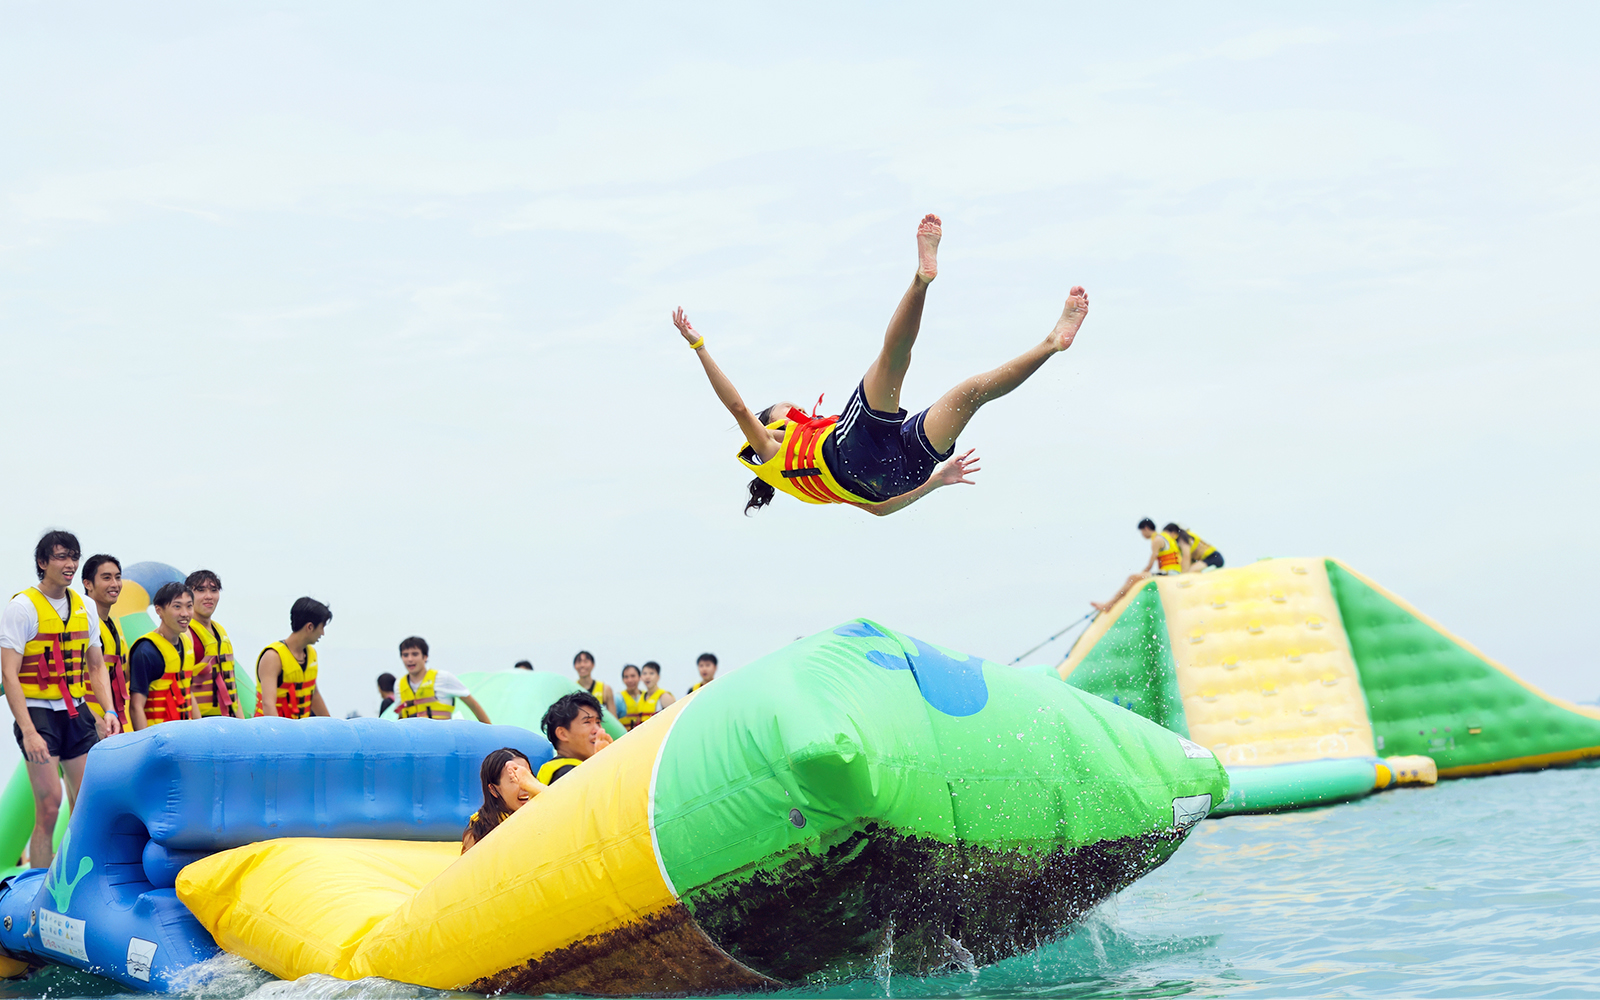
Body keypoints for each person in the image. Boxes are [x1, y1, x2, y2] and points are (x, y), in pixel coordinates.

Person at [672, 215, 1090, 516]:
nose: (793, 407)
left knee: (971, 394)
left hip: (895, 475)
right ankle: (921, 279)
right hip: (851, 455)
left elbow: (880, 511)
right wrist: (700, 346)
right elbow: (740, 410)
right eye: (785, 407)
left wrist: (937, 482)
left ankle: (1053, 343)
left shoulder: (803, 481)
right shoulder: (772, 449)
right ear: (774, 422)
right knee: (893, 361)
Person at [0, 531, 120, 869]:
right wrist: (28, 731)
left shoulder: (84, 606)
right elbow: (10, 674)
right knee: (50, 806)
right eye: (61, 557)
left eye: (74, 557)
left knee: (85, 804)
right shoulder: (22, 607)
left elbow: (95, 665)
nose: (70, 564)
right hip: (38, 713)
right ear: (42, 563)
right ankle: (36, 888)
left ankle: (75, 881)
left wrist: (108, 709)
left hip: (76, 711)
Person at [128, 583, 202, 730]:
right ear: (159, 610)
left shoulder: (186, 644)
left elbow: (187, 690)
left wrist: (200, 729)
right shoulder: (146, 651)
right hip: (159, 737)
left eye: (189, 606)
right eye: (177, 606)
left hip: (185, 734)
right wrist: (145, 745)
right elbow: (136, 706)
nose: (185, 613)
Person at [256, 597, 332, 719]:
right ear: (310, 627)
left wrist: (331, 728)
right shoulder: (273, 656)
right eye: (321, 627)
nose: (322, 633)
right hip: (272, 732)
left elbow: (314, 694)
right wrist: (278, 736)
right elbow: (268, 704)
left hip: (299, 732)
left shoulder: (312, 654)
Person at [460, 748, 544, 853]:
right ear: (493, 790)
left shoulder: (543, 816)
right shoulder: (479, 833)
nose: (525, 786)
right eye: (514, 779)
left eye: (527, 776)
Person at [186, 570, 245, 719]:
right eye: (201, 590)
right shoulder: (185, 633)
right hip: (200, 723)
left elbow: (230, 684)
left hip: (228, 721)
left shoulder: (220, 631)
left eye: (214, 590)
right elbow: (183, 686)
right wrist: (199, 726)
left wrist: (242, 724)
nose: (209, 596)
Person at [1091, 519, 1183, 613]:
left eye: (1141, 532)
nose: (1142, 535)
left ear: (1146, 529)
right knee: (1136, 578)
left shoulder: (1157, 540)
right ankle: (1109, 604)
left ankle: (1109, 605)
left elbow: (1151, 561)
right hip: (1174, 571)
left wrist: (1143, 572)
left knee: (1132, 578)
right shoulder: (1167, 538)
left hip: (1169, 573)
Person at [80, 554, 131, 725]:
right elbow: (65, 678)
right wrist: (94, 719)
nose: (114, 584)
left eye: (118, 577)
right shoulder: (80, 622)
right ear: (88, 584)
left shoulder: (113, 625)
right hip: (86, 723)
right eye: (106, 578)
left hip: (110, 719)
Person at [393, 636, 491, 722]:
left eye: (415, 654)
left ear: (425, 657)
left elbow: (472, 705)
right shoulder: (399, 685)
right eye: (405, 655)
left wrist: (488, 731)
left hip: (441, 740)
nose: (410, 659)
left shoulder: (443, 678)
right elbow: (401, 716)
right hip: (413, 740)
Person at [536, 690, 612, 785]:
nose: (598, 730)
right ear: (563, 734)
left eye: (598, 723)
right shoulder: (568, 774)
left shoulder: (552, 769)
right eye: (587, 722)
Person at [618, 661, 674, 730]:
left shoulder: (664, 697)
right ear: (641, 677)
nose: (647, 677)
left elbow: (674, 720)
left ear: (658, 677)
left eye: (651, 673)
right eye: (644, 674)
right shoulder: (641, 696)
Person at [572, 650, 615, 718]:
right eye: (579, 662)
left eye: (586, 662)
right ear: (575, 666)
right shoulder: (572, 689)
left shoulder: (605, 689)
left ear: (592, 665)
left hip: (600, 727)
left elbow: (614, 718)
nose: (582, 665)